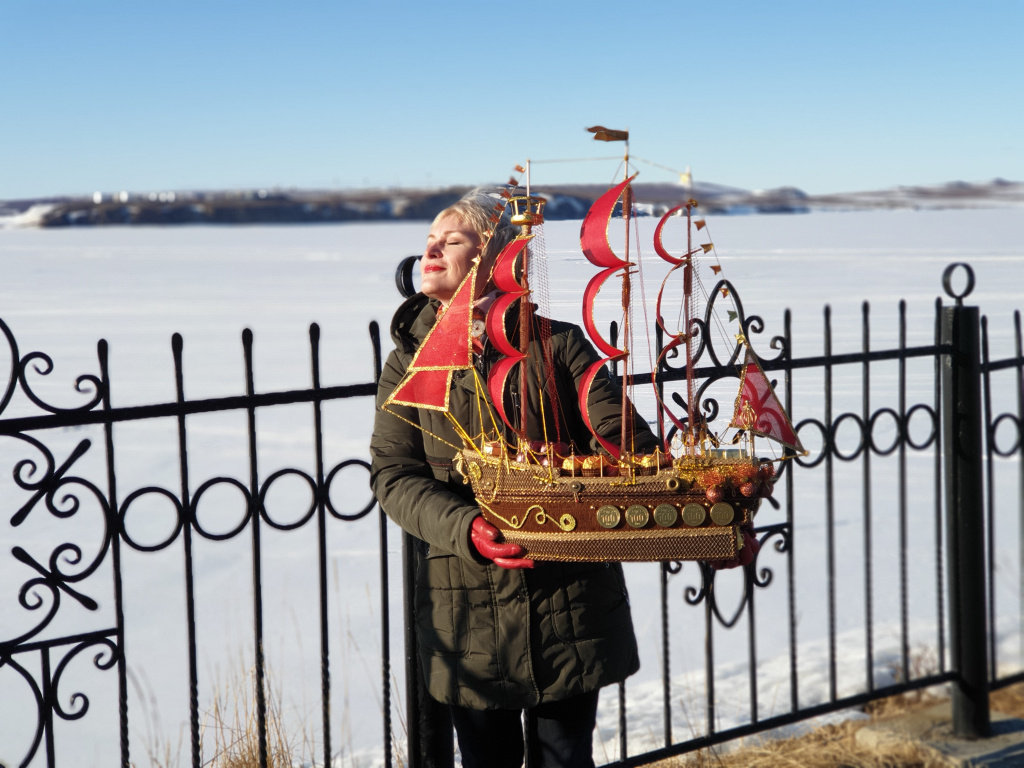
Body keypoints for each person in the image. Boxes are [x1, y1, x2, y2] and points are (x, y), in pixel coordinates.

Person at [370, 188, 659, 768]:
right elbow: (393, 474)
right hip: (466, 609)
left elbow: (629, 446)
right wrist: (466, 526)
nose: (430, 251)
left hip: (569, 603)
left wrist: (701, 490)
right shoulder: (411, 359)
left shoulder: (556, 345)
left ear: (496, 258)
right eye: (427, 241)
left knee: (563, 758)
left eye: (450, 241)